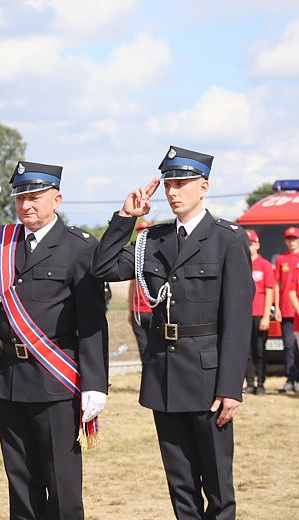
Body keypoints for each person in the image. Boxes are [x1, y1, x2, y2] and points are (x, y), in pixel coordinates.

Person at [0, 161, 109, 519]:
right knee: (21, 484)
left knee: (61, 485)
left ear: (57, 199)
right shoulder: (2, 241)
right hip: (10, 378)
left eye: (35, 197)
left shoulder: (78, 247)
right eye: (21, 198)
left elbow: (93, 320)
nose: (27, 205)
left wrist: (95, 383)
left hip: (56, 381)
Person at [91, 146, 252, 519]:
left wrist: (231, 387)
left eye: (182, 183)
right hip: (165, 373)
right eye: (169, 184)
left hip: (209, 378)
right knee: (180, 487)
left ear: (204, 187)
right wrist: (124, 218)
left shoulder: (228, 239)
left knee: (217, 487)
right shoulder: (154, 240)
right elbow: (102, 268)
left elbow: (238, 319)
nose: (173, 192)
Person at [244, 229, 274, 395]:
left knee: (259, 350)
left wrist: (265, 317)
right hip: (243, 315)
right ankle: (249, 383)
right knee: (245, 351)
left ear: (257, 245)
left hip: (259, 313)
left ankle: (261, 382)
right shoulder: (241, 262)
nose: (249, 247)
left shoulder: (265, 265)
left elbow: (270, 290)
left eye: (251, 244)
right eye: (247, 243)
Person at [275, 226, 299, 393]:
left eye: (295, 239)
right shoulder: (280, 259)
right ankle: (290, 378)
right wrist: (276, 306)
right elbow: (277, 284)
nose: (292, 242)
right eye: (289, 239)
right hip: (286, 308)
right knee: (289, 345)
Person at [128, 220, 154, 361]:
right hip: (137, 311)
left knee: (154, 348)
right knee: (143, 349)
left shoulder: (154, 255)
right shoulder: (135, 257)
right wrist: (130, 309)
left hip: (152, 311)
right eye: (139, 231)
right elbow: (132, 285)